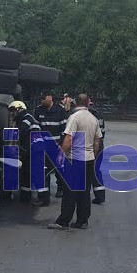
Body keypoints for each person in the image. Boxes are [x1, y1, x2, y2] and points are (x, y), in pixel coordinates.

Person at [47, 93, 103, 230]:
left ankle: (63, 221)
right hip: (88, 160)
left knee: (70, 192)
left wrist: (60, 154)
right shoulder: (93, 119)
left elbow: (68, 139)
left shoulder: (74, 117)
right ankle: (82, 221)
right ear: (88, 102)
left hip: (75, 159)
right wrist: (93, 156)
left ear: (76, 103)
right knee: (84, 192)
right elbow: (97, 142)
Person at [9, 100, 50, 207]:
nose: (12, 113)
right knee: (26, 173)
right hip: (29, 150)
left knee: (37, 173)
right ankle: (25, 195)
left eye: (13, 110)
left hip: (36, 150)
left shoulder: (27, 118)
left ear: (20, 109)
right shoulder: (22, 118)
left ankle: (44, 199)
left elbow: (19, 131)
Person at [34, 92, 68, 198]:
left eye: (43, 98)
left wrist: (62, 145)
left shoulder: (60, 110)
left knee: (59, 168)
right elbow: (36, 128)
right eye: (41, 99)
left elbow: (64, 129)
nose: (42, 101)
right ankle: (45, 191)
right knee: (44, 169)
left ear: (50, 97)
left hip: (56, 145)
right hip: (43, 146)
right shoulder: (38, 110)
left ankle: (61, 189)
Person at [87, 99, 106, 205]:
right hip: (99, 146)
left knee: (86, 170)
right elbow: (102, 133)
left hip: (90, 146)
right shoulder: (99, 114)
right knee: (96, 171)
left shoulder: (89, 115)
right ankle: (100, 196)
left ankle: (81, 194)